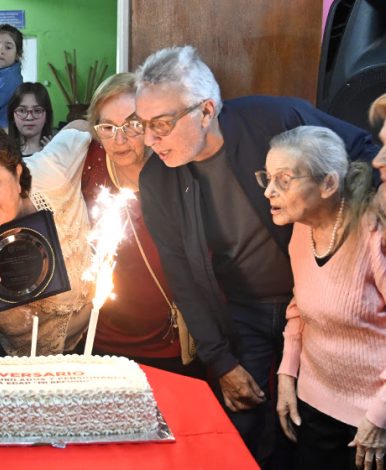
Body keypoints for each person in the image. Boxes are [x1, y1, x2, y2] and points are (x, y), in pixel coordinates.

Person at [132, 45, 379, 466]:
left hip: (314, 302)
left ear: (206, 110)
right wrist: (219, 359)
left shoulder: (275, 121)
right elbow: (182, 276)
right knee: (241, 426)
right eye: (142, 124)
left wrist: (352, 226)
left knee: (304, 427)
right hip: (239, 309)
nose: (149, 139)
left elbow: (363, 150)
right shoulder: (156, 179)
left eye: (162, 124)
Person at [260, 126, 386, 470]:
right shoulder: (301, 228)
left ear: (328, 184)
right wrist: (288, 375)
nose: (270, 191)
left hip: (371, 422)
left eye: (284, 180)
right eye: (268, 178)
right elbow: (299, 306)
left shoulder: (374, 233)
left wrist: (379, 416)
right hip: (314, 407)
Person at [75, 72, 203, 377]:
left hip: (170, 346)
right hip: (100, 343)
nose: (118, 139)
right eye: (107, 127)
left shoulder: (177, 169)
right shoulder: (87, 165)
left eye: (132, 125)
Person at [0, 121, 93, 356]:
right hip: (19, 365)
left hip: (93, 346)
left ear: (18, 172)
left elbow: (85, 125)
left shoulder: (51, 171)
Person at [8, 82, 53, 157]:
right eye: (22, 111)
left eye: (37, 111)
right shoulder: (3, 155)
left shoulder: (56, 153)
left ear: (47, 116)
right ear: (12, 116)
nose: (29, 117)